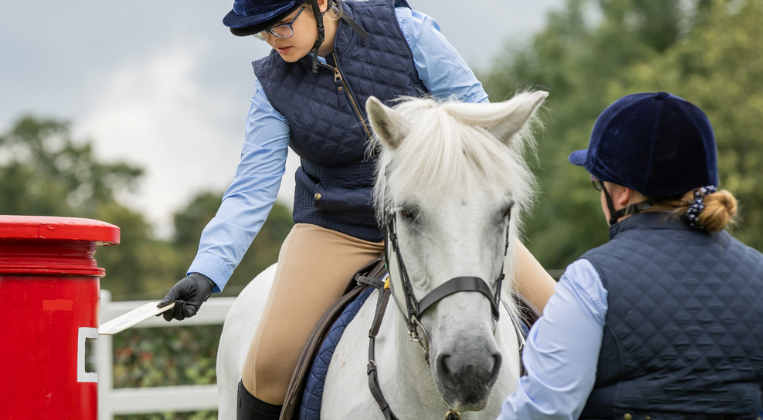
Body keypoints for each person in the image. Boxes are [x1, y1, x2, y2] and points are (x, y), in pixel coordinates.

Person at [157, 1, 557, 419]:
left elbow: (475, 117)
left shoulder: (407, 30)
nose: (273, 41)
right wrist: (206, 271)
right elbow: (251, 189)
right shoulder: (271, 86)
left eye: (282, 26)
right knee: (266, 371)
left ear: (322, 3)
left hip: (439, 219)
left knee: (567, 321)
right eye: (262, 32)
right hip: (338, 227)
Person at [498, 92, 763, 419]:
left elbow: (542, 411)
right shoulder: (759, 272)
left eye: (598, 183)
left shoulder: (591, 278)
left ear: (621, 193)